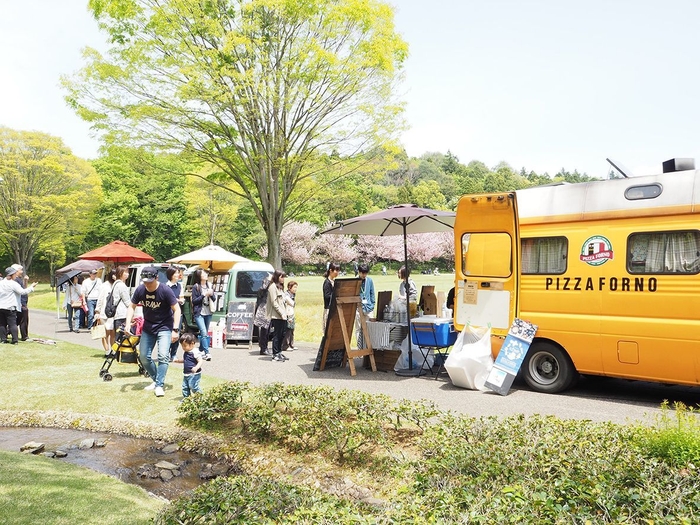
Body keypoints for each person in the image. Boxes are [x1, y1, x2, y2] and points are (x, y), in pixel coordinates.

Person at [125, 266, 180, 398]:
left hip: (164, 327)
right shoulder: (140, 289)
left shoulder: (165, 290)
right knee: (144, 357)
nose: (147, 284)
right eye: (145, 281)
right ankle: (156, 380)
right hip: (148, 327)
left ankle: (159, 385)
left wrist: (175, 329)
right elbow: (131, 306)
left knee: (163, 356)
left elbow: (177, 309)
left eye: (149, 281)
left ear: (156, 278)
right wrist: (127, 324)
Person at [0, 266, 37, 344]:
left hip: (1, 306)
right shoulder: (13, 284)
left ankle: (3, 339)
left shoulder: (1, 282)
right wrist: (31, 287)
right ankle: (15, 340)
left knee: (2, 323)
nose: (16, 275)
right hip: (10, 307)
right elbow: (22, 292)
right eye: (14, 274)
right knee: (12, 324)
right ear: (12, 274)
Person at [190, 268, 214, 361]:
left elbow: (214, 299)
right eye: (204, 274)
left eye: (206, 273)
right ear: (199, 276)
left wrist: (211, 294)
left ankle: (200, 350)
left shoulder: (209, 285)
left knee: (205, 333)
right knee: (203, 332)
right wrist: (204, 295)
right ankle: (207, 353)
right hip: (199, 312)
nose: (206, 275)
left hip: (208, 311)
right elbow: (195, 301)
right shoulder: (196, 287)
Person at [172, 332, 203, 398]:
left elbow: (200, 361)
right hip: (186, 373)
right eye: (182, 346)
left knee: (193, 386)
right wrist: (178, 361)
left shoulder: (195, 352)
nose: (183, 348)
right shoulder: (186, 352)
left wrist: (196, 367)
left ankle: (200, 397)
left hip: (194, 374)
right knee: (185, 387)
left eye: (185, 346)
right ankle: (187, 399)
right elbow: (185, 360)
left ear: (192, 344)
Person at [266, 269, 288, 361]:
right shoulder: (272, 287)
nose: (283, 279)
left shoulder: (280, 287)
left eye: (284, 277)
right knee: (277, 335)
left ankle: (279, 352)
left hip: (283, 314)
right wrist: (281, 313)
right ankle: (275, 353)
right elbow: (274, 302)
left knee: (282, 334)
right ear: (277, 277)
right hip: (277, 315)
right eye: (281, 277)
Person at [95, 268, 117, 355]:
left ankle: (113, 350)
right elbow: (100, 299)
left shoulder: (118, 285)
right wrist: (97, 311)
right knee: (105, 333)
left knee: (113, 332)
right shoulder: (104, 286)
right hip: (104, 312)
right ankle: (107, 351)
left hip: (114, 313)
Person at [166, 267, 186, 361]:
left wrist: (180, 300)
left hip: (178, 312)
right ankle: (166, 353)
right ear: (171, 275)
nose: (178, 275)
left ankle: (173, 354)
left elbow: (182, 298)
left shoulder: (180, 285)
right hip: (167, 313)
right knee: (167, 333)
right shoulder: (166, 286)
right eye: (176, 273)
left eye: (178, 273)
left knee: (177, 333)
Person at [356, 263, 375, 349]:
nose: (364, 275)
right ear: (359, 272)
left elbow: (372, 293)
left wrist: (372, 304)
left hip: (369, 308)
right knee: (358, 329)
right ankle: (360, 348)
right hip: (358, 309)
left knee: (370, 328)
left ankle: (369, 347)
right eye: (362, 273)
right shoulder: (355, 281)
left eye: (365, 273)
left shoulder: (370, 281)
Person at [254, 274, 272, 356]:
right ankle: (263, 348)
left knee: (267, 331)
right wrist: (268, 280)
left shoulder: (270, 289)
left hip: (268, 310)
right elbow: (264, 288)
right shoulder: (262, 289)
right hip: (263, 311)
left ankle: (265, 347)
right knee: (264, 331)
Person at [111, 266, 132, 334]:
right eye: (125, 272)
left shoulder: (115, 283)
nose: (127, 274)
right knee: (122, 338)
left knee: (118, 337)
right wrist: (132, 314)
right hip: (122, 314)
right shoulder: (121, 285)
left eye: (128, 272)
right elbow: (127, 302)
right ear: (120, 273)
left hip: (117, 314)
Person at [11, 265, 28, 341]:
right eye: (21, 270)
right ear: (16, 271)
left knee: (18, 320)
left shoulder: (19, 279)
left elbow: (24, 289)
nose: (22, 271)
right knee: (23, 319)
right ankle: (24, 336)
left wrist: (25, 281)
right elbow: (18, 292)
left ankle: (8, 331)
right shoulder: (15, 280)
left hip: (23, 301)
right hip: (20, 303)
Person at [322, 263, 340, 331]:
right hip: (328, 309)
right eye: (336, 270)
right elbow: (327, 296)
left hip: (334, 309)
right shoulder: (327, 282)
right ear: (330, 270)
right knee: (328, 331)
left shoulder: (334, 281)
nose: (337, 273)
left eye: (338, 271)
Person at [282, 280, 297, 352]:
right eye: (294, 287)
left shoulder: (293, 295)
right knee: (288, 330)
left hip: (291, 313)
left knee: (292, 330)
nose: (295, 289)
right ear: (289, 287)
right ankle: (286, 345)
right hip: (287, 314)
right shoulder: (286, 295)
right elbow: (292, 303)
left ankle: (291, 344)